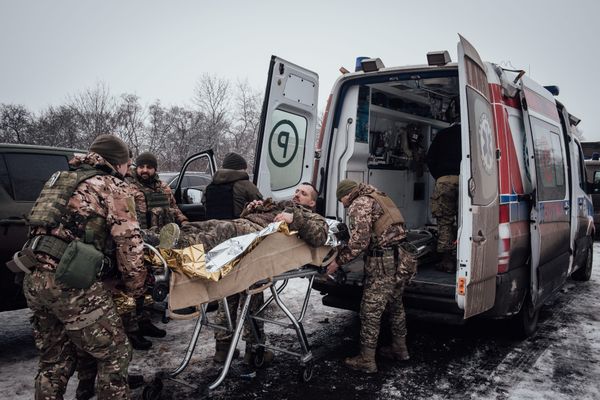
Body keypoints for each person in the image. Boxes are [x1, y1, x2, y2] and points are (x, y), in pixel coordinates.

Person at [20, 134, 146, 399]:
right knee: (115, 353)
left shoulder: (61, 179)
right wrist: (136, 289)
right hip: (71, 283)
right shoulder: (112, 185)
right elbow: (129, 244)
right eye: (127, 165)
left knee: (54, 361)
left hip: (34, 276)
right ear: (118, 162)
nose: (128, 170)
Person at [154, 182, 328, 365]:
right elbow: (250, 217)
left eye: (304, 193)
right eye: (297, 191)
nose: (297, 194)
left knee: (220, 238)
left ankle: (251, 350)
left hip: (255, 241)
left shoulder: (312, 217)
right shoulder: (280, 206)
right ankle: (158, 238)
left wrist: (294, 218)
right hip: (245, 232)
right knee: (209, 227)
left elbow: (319, 236)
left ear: (312, 203)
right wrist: (251, 208)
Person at [326, 180, 416, 374]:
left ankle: (366, 360)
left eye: (341, 200)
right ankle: (400, 349)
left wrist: (338, 261)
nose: (343, 204)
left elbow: (360, 241)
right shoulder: (380, 197)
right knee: (395, 305)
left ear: (347, 194)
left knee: (370, 311)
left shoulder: (360, 203)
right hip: (400, 259)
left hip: (382, 263)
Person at [202, 152, 265, 363]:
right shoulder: (246, 186)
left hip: (219, 249)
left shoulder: (210, 187)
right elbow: (262, 210)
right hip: (244, 247)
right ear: (241, 169)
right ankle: (254, 350)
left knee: (226, 298)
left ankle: (222, 348)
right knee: (252, 297)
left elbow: (206, 213)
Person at [425, 105, 461, 273]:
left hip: (445, 181)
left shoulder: (443, 134)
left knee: (445, 221)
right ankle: (463, 258)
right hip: (469, 180)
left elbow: (430, 159)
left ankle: (447, 261)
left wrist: (440, 176)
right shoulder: (471, 134)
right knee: (465, 221)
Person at [129, 151, 189, 229]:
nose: (145, 170)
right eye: (141, 167)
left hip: (166, 233)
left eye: (149, 167)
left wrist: (183, 221)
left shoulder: (163, 187)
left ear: (155, 169)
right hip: (141, 235)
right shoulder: (128, 187)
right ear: (137, 168)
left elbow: (174, 207)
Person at [203, 152, 263, 219]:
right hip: (238, 227)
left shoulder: (208, 188)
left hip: (212, 227)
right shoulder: (247, 186)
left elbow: (205, 208)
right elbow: (261, 207)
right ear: (240, 169)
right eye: (244, 168)